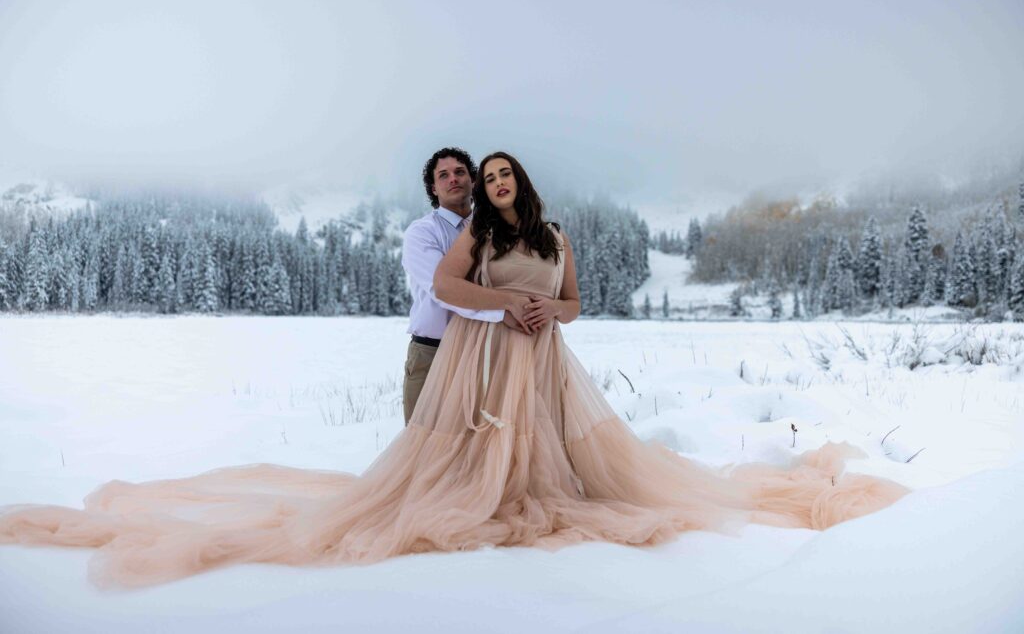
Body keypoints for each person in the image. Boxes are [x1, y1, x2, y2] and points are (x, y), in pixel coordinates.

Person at [0, 151, 911, 590]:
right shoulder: (462, 233)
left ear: (522, 184)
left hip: (543, 354)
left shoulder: (553, 235)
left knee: (554, 452)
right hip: (473, 352)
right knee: (445, 453)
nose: (494, 183)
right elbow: (440, 287)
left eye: (502, 174)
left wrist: (547, 309)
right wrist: (502, 306)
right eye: (486, 176)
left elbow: (579, 303)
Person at [400, 147, 529, 425]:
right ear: (433, 188)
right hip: (433, 352)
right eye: (443, 176)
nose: (453, 179)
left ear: (473, 180)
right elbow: (444, 290)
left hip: (484, 350)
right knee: (422, 448)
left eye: (460, 172)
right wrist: (503, 311)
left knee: (477, 449)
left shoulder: (494, 228)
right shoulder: (422, 233)